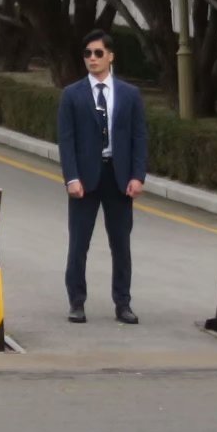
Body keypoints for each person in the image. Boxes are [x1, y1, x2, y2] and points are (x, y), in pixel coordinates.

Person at [56, 28, 148, 324]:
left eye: (98, 53)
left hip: (118, 178)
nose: (92, 59)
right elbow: (66, 140)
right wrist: (71, 178)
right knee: (78, 244)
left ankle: (123, 303)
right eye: (87, 54)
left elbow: (139, 137)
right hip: (85, 179)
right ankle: (77, 302)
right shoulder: (72, 95)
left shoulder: (129, 94)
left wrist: (137, 176)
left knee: (121, 245)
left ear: (110, 56)